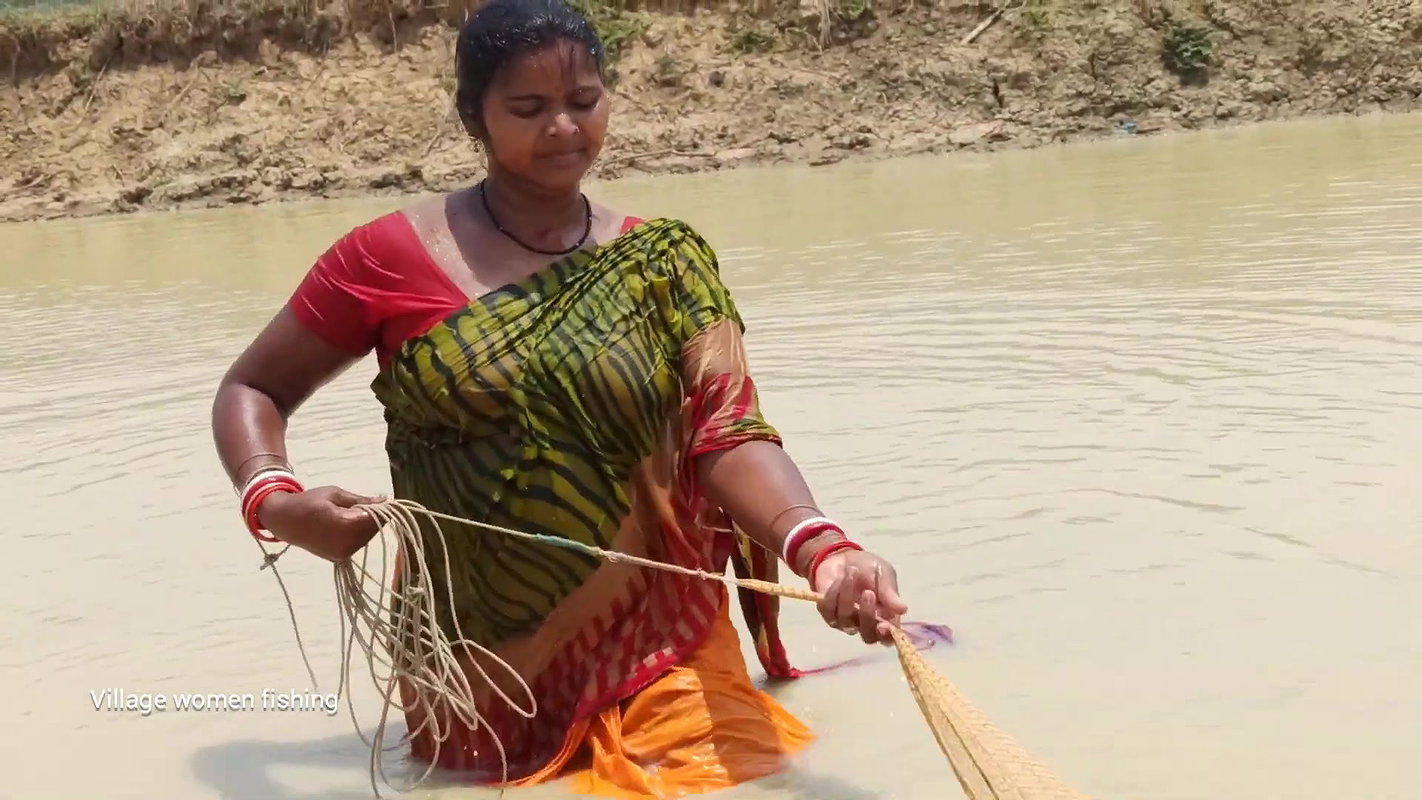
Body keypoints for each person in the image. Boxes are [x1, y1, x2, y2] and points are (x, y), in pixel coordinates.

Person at [210, 0, 910, 795]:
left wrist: (823, 548)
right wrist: (274, 500)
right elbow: (253, 387)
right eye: (529, 108)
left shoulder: (662, 262)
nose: (564, 128)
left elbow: (728, 431)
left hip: (659, 629)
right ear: (473, 115)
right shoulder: (386, 257)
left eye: (583, 101)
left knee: (714, 778)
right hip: (475, 659)